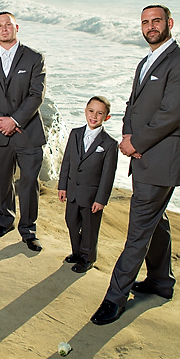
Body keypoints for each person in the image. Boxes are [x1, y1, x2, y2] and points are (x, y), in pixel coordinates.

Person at [90, 5, 180, 325]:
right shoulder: (146, 60)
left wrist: (135, 143)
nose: (150, 27)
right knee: (156, 220)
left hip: (160, 160)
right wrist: (127, 131)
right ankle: (160, 282)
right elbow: (133, 103)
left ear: (169, 23)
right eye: (145, 22)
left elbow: (172, 114)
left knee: (139, 228)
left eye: (156, 21)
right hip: (144, 156)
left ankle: (115, 298)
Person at [0, 11, 47, 251]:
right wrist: (0, 121)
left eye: (8, 24)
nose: (4, 28)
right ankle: (5, 221)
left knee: (28, 182)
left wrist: (14, 121)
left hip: (27, 131)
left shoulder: (35, 58)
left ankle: (28, 230)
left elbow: (36, 95)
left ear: (17, 27)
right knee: (3, 179)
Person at [58, 96, 118, 274]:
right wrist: (63, 186)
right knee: (71, 222)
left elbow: (108, 176)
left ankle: (88, 258)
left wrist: (101, 199)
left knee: (90, 229)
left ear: (106, 117)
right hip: (73, 191)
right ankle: (77, 252)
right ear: (85, 111)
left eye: (100, 113)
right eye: (91, 111)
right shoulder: (75, 133)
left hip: (92, 196)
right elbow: (67, 162)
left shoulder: (109, 144)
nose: (94, 116)